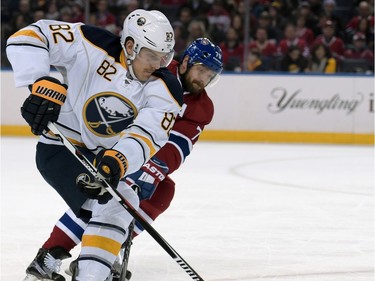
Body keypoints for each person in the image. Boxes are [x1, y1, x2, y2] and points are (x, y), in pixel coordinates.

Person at [18, 37, 223, 281]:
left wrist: (153, 168)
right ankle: (49, 254)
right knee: (109, 193)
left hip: (143, 153)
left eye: (210, 75)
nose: (204, 79)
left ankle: (107, 246)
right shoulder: (155, 71)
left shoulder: (202, 107)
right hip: (110, 145)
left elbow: (179, 144)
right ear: (186, 61)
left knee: (163, 191)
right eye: (202, 71)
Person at [6, 9, 184, 281]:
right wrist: (39, 80)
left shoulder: (166, 86)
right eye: (152, 55)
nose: (158, 63)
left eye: (165, 56)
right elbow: (28, 36)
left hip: (102, 159)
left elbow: (147, 134)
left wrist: (118, 160)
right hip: (60, 148)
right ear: (130, 46)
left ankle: (85, 273)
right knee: (112, 205)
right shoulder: (90, 43)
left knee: (122, 202)